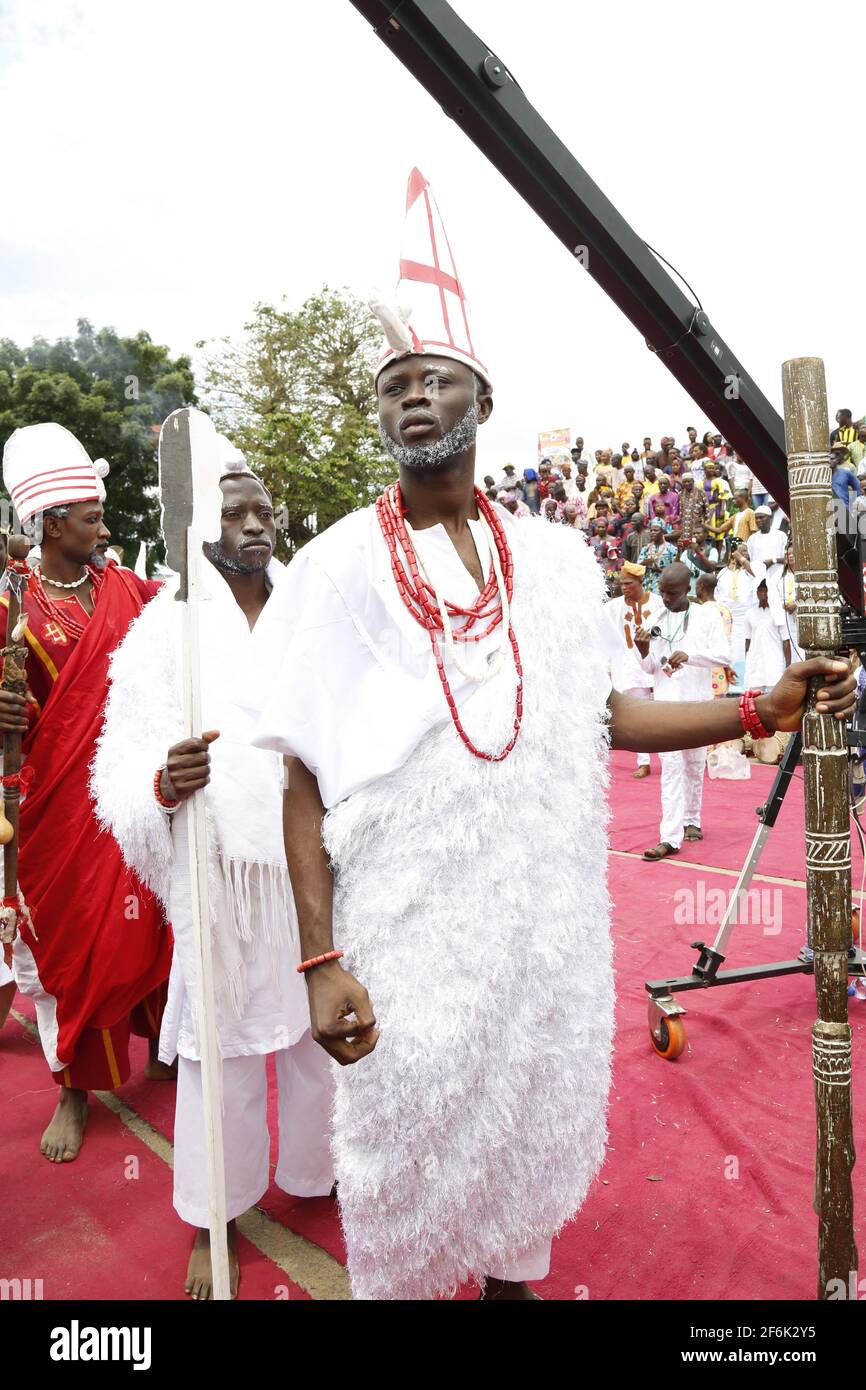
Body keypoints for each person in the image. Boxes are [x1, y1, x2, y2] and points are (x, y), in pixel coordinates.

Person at [244, 169, 855, 1301]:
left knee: (530, 1137)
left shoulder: (560, 561)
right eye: (391, 389)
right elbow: (297, 777)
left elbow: (603, 718)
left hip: (544, 929)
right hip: (408, 933)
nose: (409, 401)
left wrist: (758, 708)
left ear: (481, 392)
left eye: (431, 380)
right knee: (407, 1164)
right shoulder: (333, 570)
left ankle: (518, 1280)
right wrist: (321, 961)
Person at [92, 453, 335, 1300]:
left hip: (315, 863)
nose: (256, 524)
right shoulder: (166, 628)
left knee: (321, 1031)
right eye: (235, 514)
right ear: (202, 531)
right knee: (221, 1049)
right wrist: (163, 782)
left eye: (264, 510)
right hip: (220, 870)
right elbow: (116, 762)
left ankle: (316, 1173)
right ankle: (215, 1218)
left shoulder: (307, 610)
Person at [0, 423, 169, 1164]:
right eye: (93, 517)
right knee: (68, 946)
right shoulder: (12, 606)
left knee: (144, 922)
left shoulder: (130, 590)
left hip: (130, 794)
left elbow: (178, 658)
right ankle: (74, 1087)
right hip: (53, 810)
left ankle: (169, 1040)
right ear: (51, 522)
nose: (105, 527)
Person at [635, 562, 730, 858]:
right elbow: (650, 668)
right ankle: (670, 837)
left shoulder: (706, 616)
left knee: (693, 765)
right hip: (665, 708)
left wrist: (691, 656)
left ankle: (692, 821)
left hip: (697, 704)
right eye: (662, 592)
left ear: (687, 590)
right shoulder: (655, 616)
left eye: (671, 593)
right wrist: (642, 650)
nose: (665, 598)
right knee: (671, 770)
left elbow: (724, 655)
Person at [601, 562, 664, 778]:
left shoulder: (657, 604)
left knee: (643, 715)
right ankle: (627, 756)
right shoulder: (612, 607)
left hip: (648, 666)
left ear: (640, 582)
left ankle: (646, 761)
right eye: (621, 584)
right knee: (618, 713)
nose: (623, 588)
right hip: (621, 667)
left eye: (628, 584)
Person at [715, 547, 757, 687]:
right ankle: (728, 683)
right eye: (738, 552)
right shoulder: (723, 572)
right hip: (726, 618)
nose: (741, 555)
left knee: (744, 648)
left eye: (745, 552)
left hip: (744, 616)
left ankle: (744, 684)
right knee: (727, 648)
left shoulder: (750, 571)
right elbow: (717, 594)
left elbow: (757, 575)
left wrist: (741, 558)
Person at [744, 581, 790, 687]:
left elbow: (786, 641)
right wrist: (748, 662)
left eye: (765, 590)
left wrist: (788, 668)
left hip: (774, 664)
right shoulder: (749, 614)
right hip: (755, 664)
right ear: (756, 593)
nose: (762, 593)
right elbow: (747, 640)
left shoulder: (779, 613)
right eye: (760, 590)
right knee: (754, 698)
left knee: (774, 698)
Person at [745, 505, 787, 584]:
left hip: (778, 578)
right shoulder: (752, 539)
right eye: (756, 518)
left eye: (761, 517)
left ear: (770, 518)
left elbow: (787, 559)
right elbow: (750, 561)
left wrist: (773, 561)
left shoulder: (781, 536)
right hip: (758, 581)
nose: (758, 520)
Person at [638, 521, 677, 593]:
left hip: (663, 588)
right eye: (651, 530)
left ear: (662, 532)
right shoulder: (646, 548)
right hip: (646, 587)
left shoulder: (671, 549)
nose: (652, 532)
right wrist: (644, 563)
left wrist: (660, 570)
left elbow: (676, 571)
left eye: (656, 530)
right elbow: (637, 567)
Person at [677, 471, 706, 543]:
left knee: (696, 543)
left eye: (688, 481)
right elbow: (680, 510)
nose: (686, 484)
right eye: (684, 482)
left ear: (693, 481)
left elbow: (707, 509)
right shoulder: (680, 494)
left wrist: (705, 523)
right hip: (684, 526)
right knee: (685, 544)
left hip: (697, 525)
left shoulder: (701, 492)